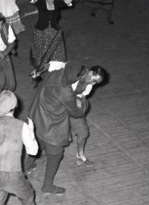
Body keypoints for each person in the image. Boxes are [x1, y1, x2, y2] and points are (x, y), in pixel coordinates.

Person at [26, 61, 106, 194]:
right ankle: (47, 185)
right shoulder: (66, 91)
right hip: (52, 120)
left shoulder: (55, 74)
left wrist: (38, 71)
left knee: (38, 141)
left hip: (38, 113)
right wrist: (84, 104)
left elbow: (49, 67)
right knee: (55, 153)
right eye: (88, 77)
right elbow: (76, 112)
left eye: (95, 82)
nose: (90, 82)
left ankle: (26, 166)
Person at [30, 0, 72, 72]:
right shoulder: (41, 3)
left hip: (54, 30)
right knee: (41, 49)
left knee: (55, 48)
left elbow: (69, 0)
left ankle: (53, 66)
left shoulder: (57, 3)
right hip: (41, 30)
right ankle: (39, 67)